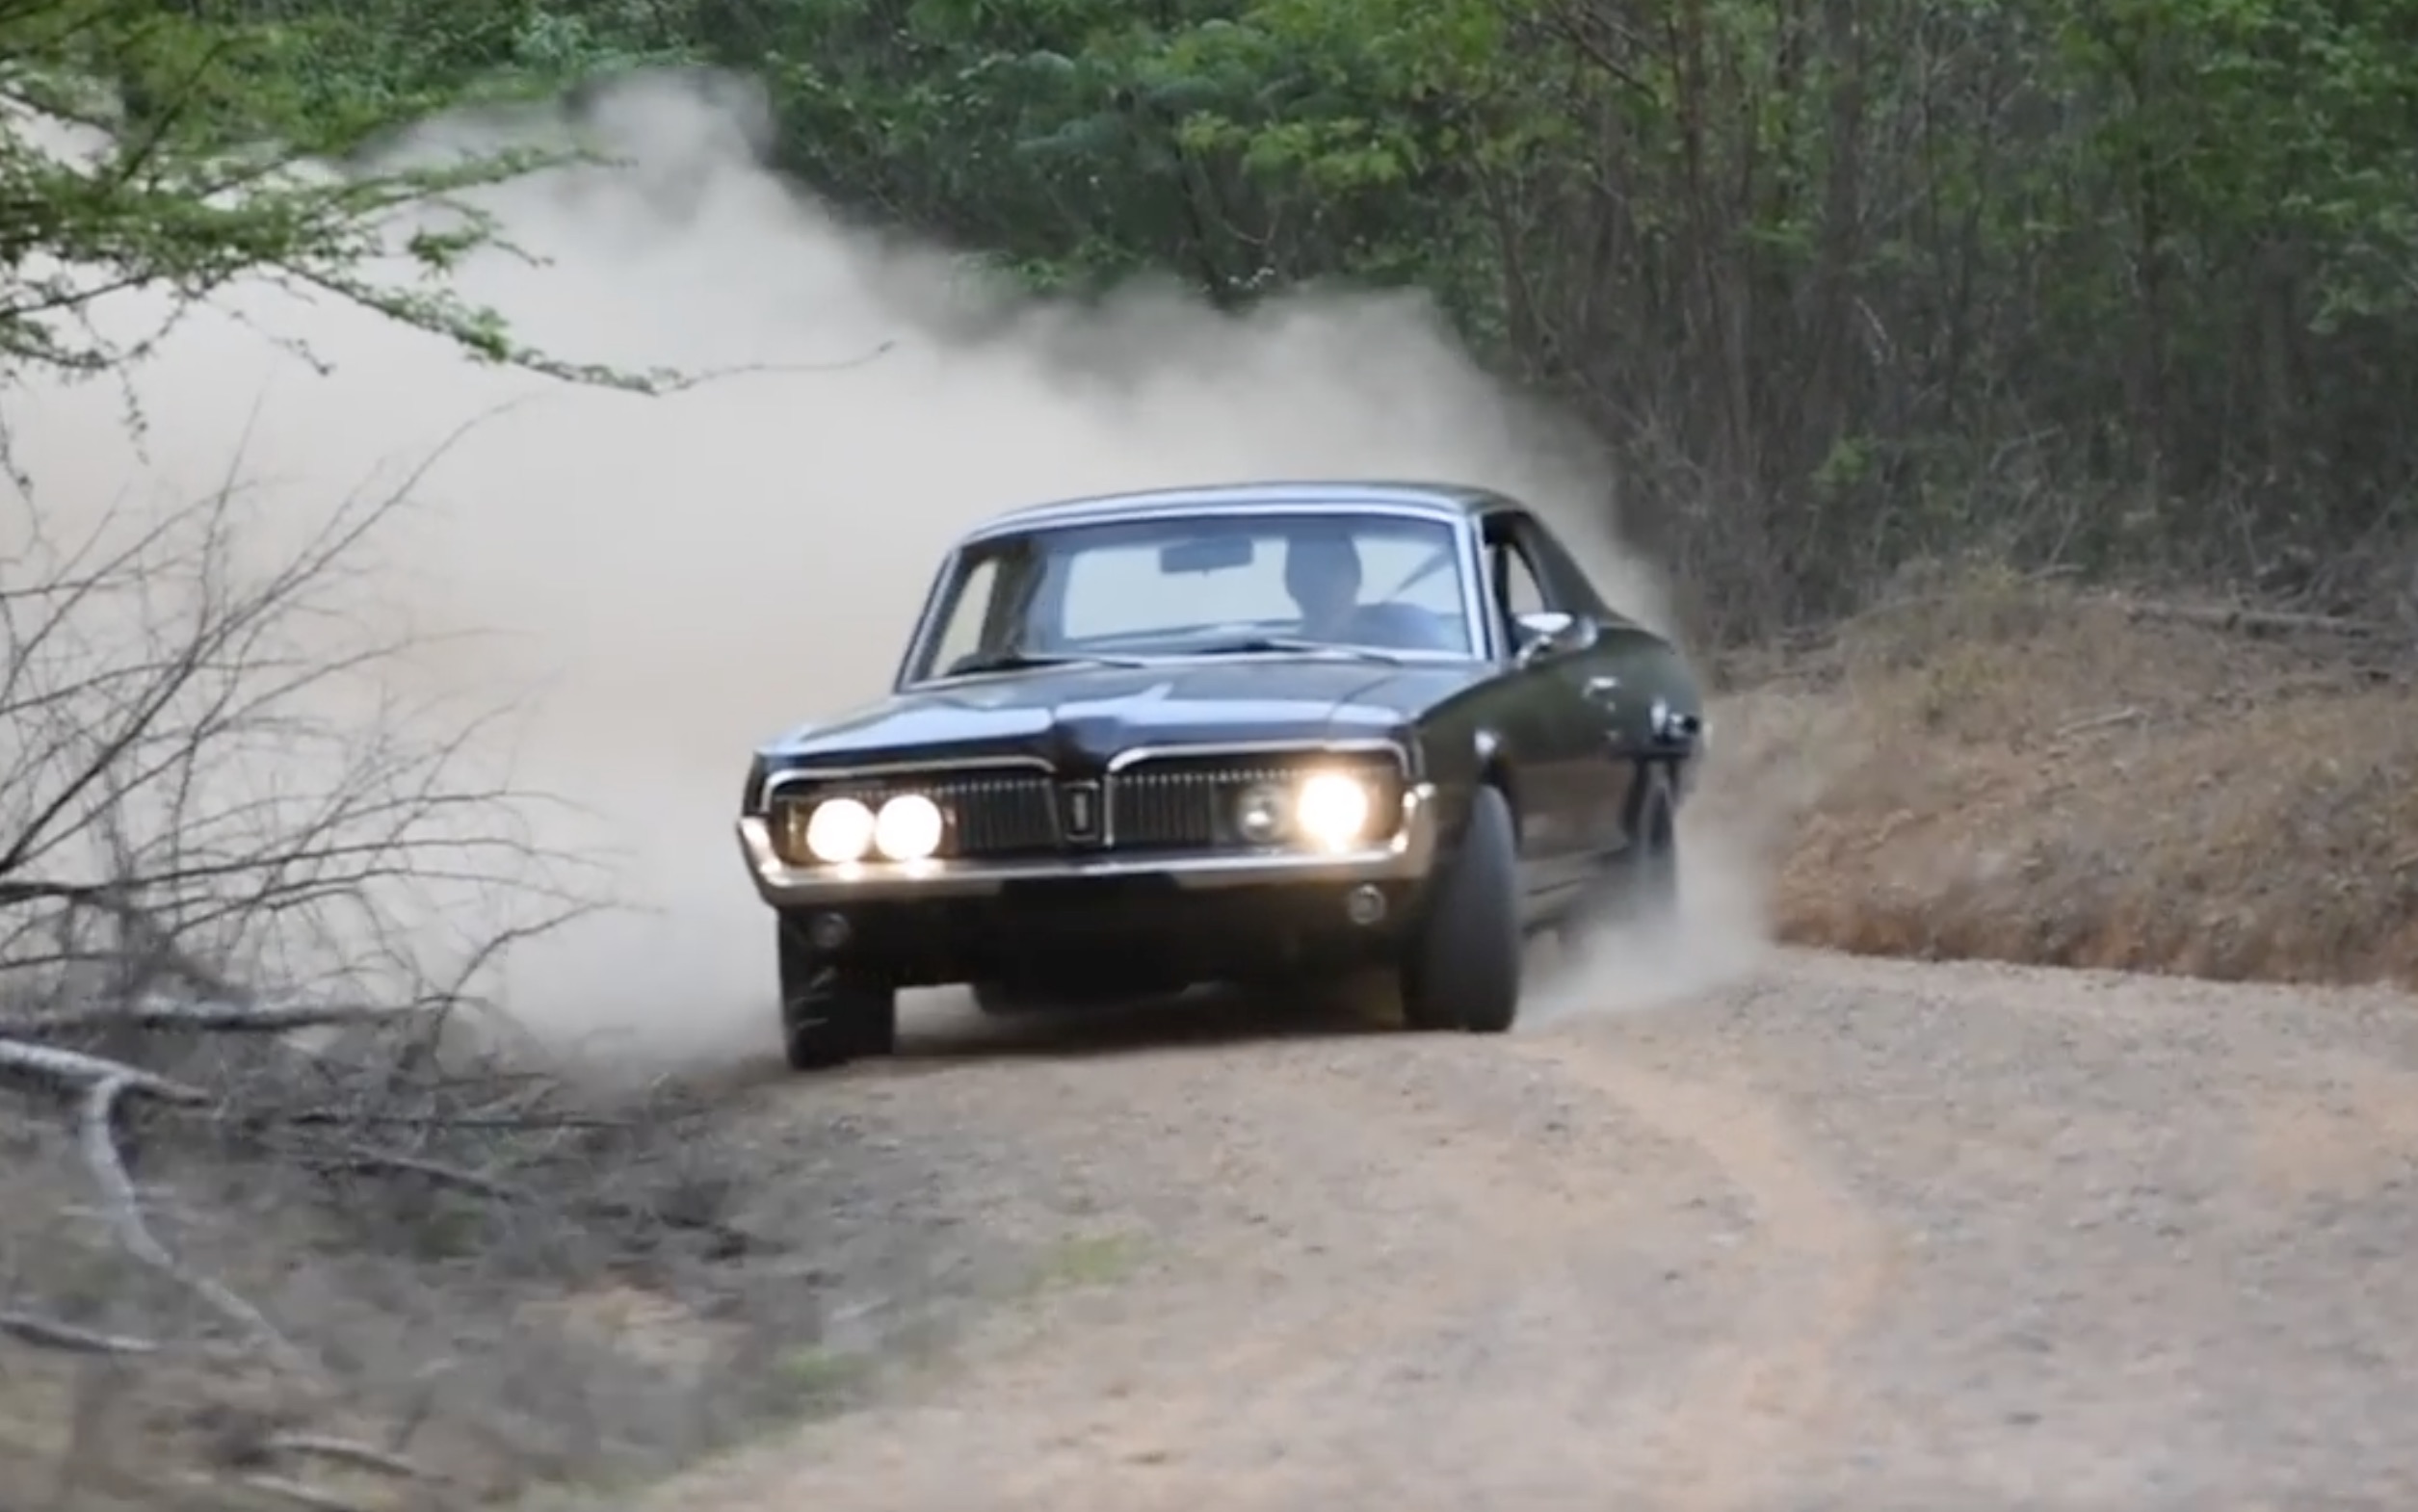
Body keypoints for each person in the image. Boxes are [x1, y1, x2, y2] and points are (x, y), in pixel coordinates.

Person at [1282, 531, 1364, 640]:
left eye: (1332, 567)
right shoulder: (1268, 653)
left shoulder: (1386, 646)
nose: (1321, 579)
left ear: (1356, 574)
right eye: (1307, 571)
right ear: (1291, 582)